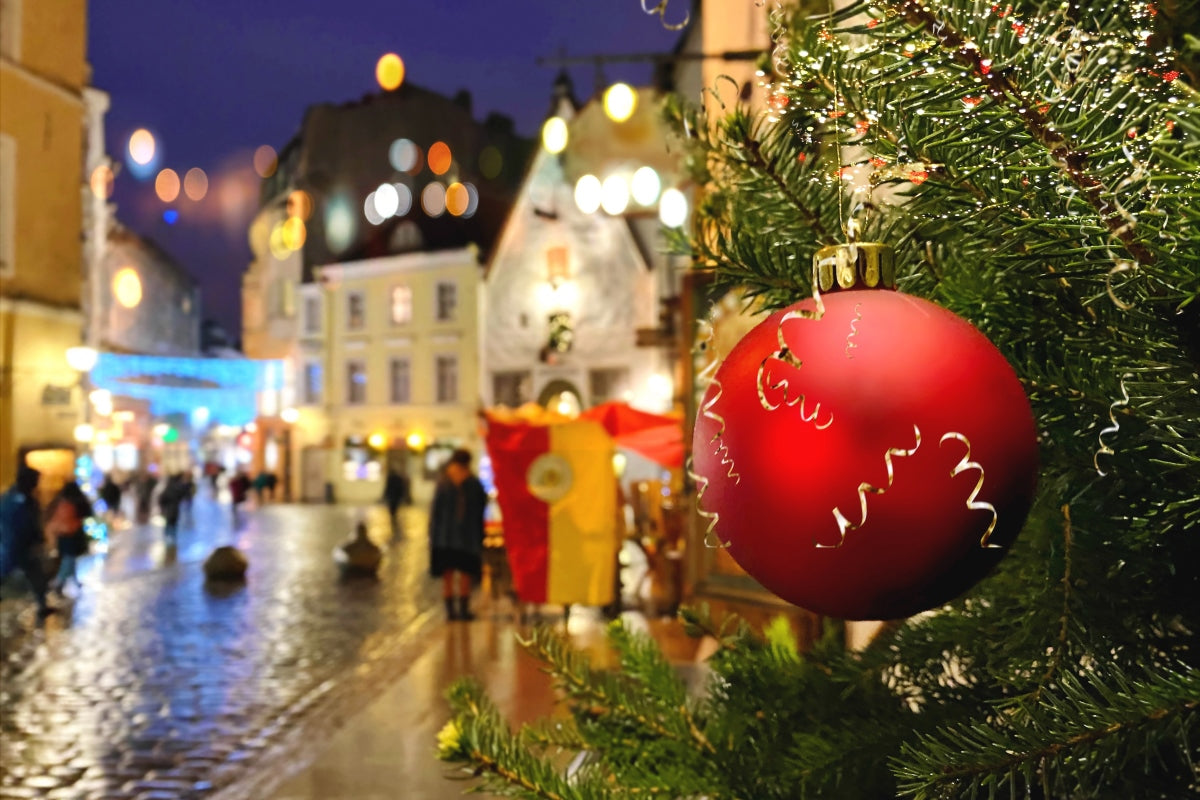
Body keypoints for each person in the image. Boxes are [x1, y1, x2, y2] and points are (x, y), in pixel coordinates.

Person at [428, 449, 487, 621]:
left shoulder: (444, 482)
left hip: (444, 538)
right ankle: (463, 610)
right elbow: (480, 510)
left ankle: (450, 612)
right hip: (467, 538)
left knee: (447, 576)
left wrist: (433, 535)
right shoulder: (473, 483)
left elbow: (435, 512)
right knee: (465, 574)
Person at [0, 465, 54, 617]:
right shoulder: (17, 499)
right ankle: (42, 605)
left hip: (19, 545)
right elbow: (20, 523)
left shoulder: (17, 497)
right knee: (31, 574)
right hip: (16, 545)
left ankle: (42, 605)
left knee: (36, 576)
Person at [45, 481, 93, 595]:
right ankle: (58, 582)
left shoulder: (59, 502)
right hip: (72, 534)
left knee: (69, 560)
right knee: (69, 560)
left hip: (62, 535)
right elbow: (87, 513)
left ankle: (72, 582)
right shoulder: (76, 502)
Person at [158, 473, 186, 542]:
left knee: (170, 523)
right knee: (172, 523)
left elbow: (162, 499)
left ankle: (169, 538)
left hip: (170, 510)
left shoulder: (169, 487)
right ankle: (171, 538)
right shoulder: (177, 488)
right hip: (173, 510)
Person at [382, 468, 412, 533]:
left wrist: (385, 496)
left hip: (392, 497)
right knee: (395, 509)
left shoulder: (391, 478)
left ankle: (393, 519)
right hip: (396, 498)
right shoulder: (398, 479)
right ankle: (394, 519)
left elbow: (387, 488)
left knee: (392, 510)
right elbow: (401, 488)